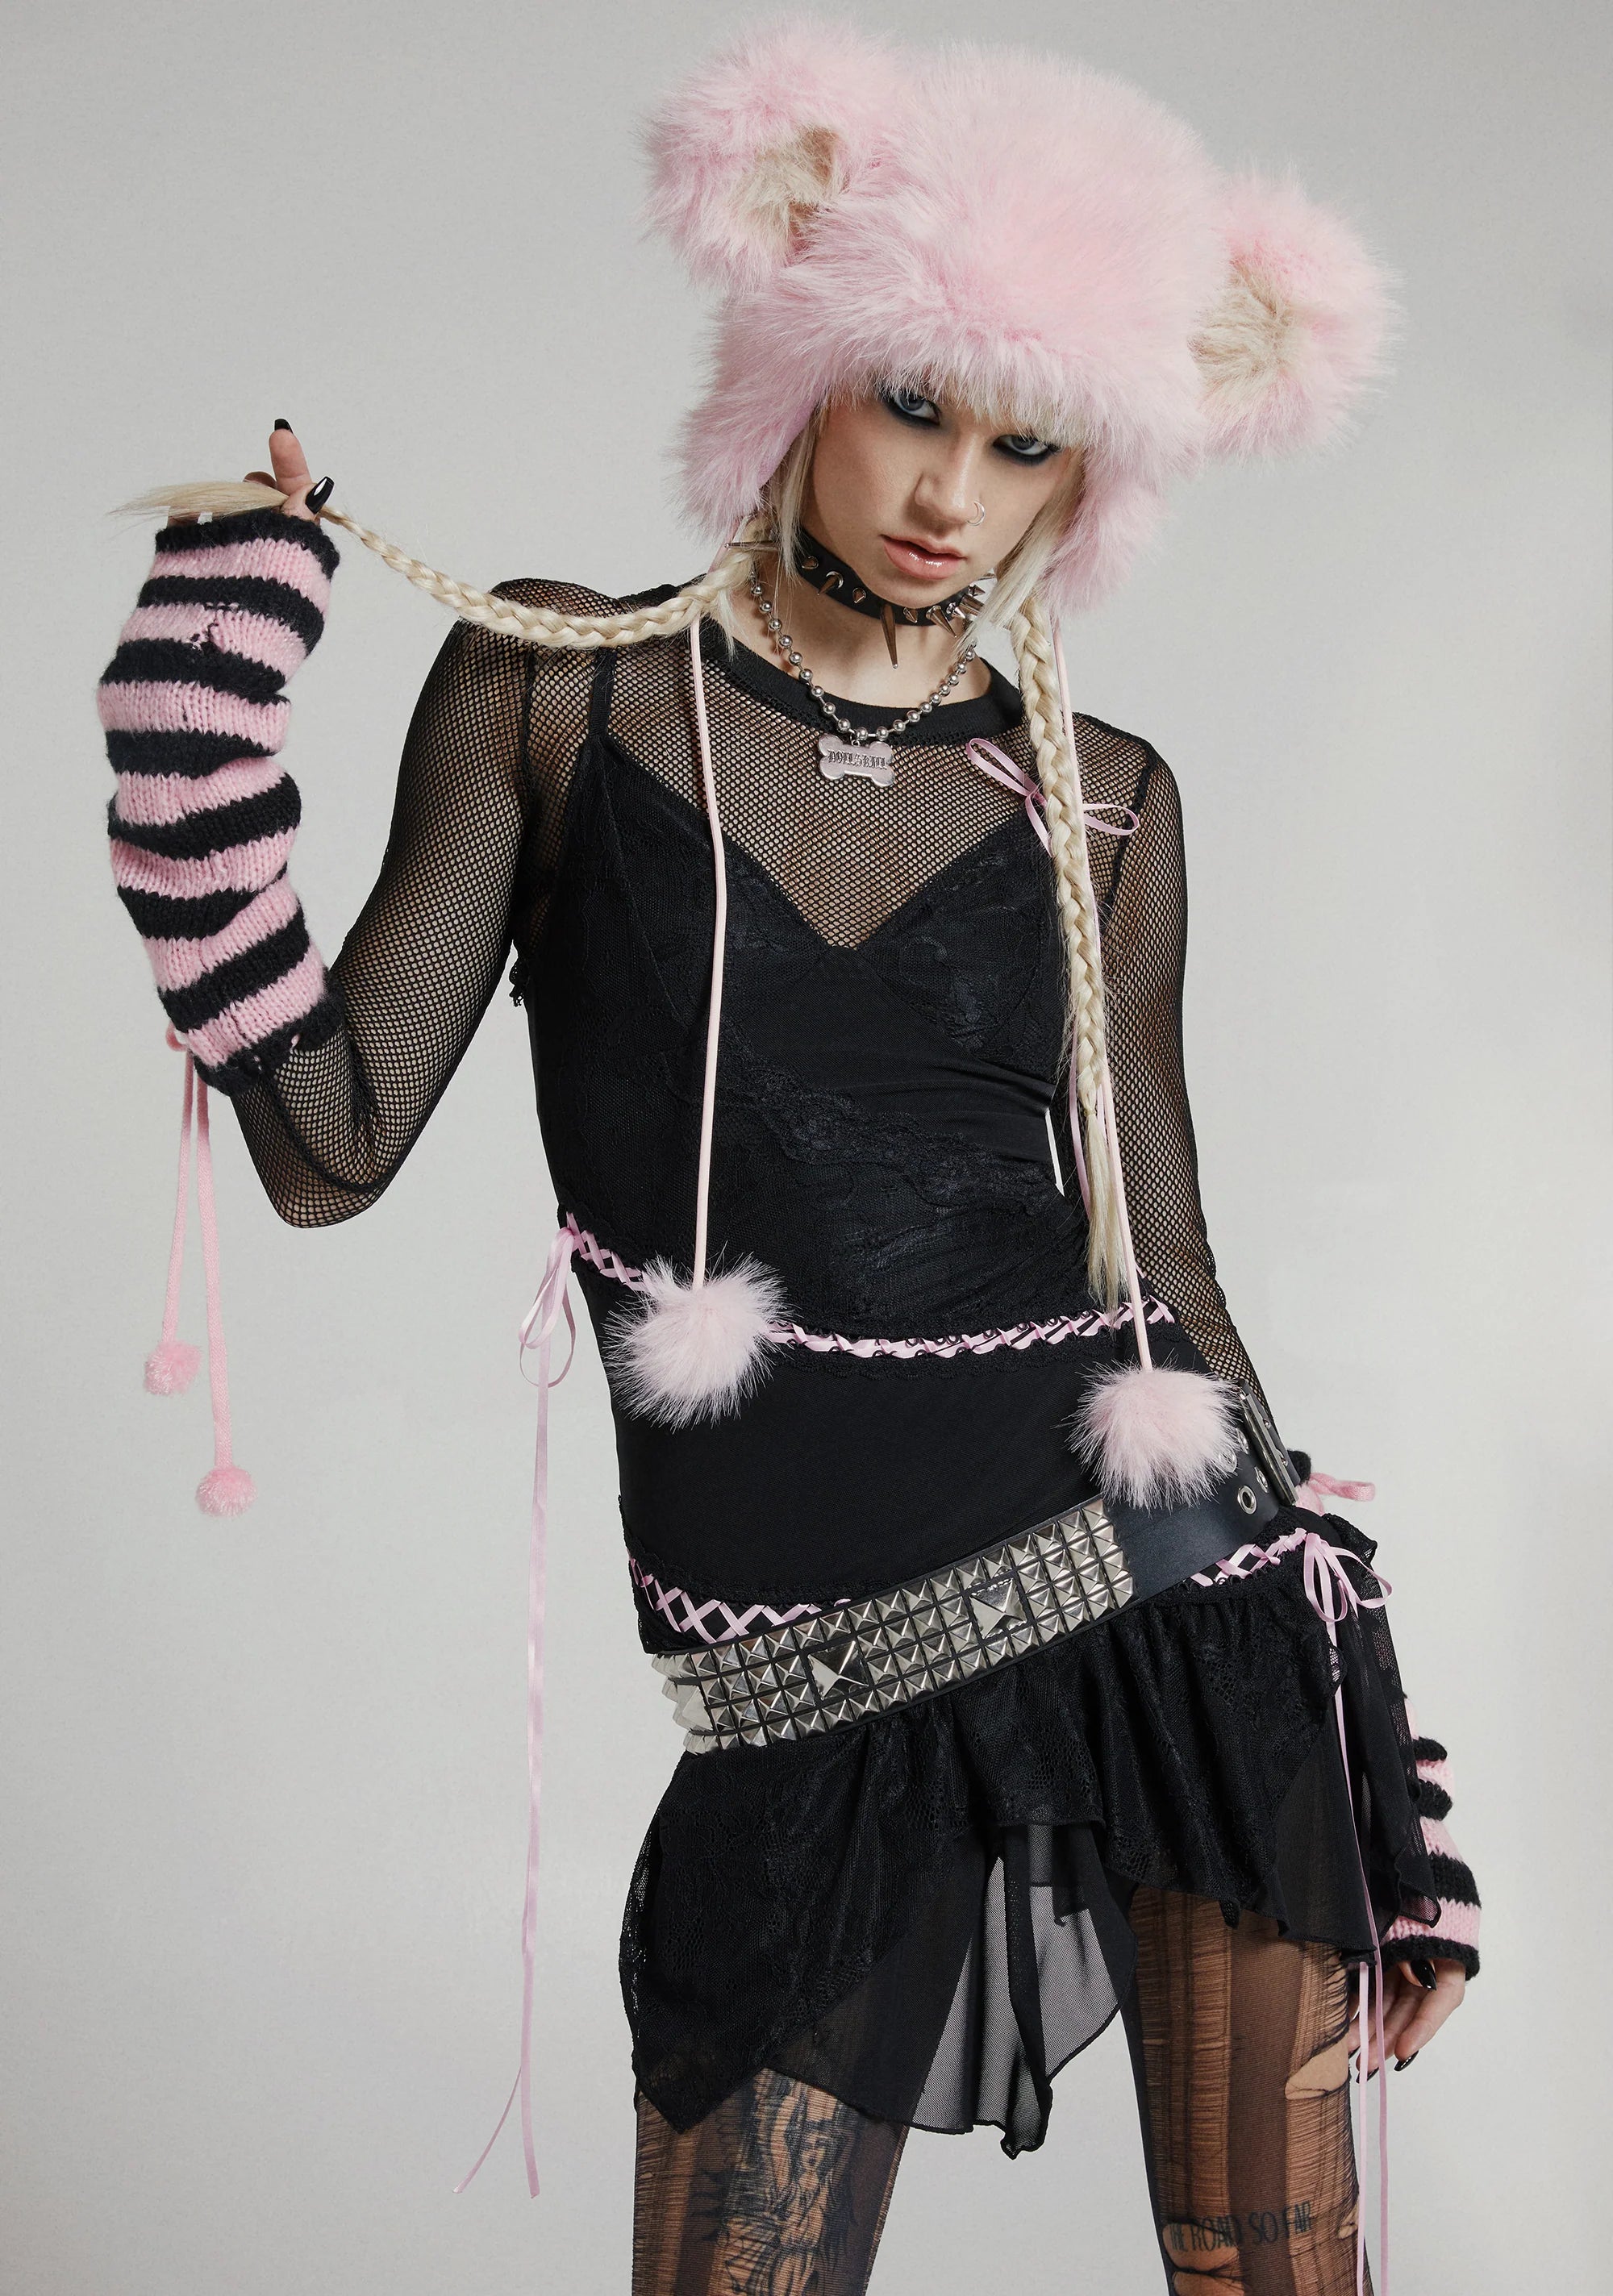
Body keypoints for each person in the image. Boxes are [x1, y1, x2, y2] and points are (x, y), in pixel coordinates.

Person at [97, 26, 1479, 2294]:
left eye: (1024, 441)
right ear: (805, 368)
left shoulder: (1103, 801)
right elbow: (330, 1142)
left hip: (1177, 1610)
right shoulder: (561, 695)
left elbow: (1174, 1272)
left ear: (1088, 477)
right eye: (914, 399)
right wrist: (203, 707)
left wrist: (1388, 1792)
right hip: (800, 1693)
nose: (952, 487)